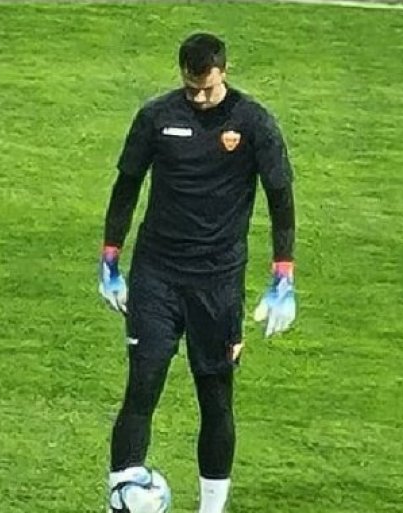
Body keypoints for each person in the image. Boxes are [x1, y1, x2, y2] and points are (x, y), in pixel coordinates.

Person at [98, 32, 297, 513]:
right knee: (142, 384)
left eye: (206, 88)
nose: (199, 97)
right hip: (157, 275)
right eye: (191, 88)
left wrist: (283, 276)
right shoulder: (156, 117)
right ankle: (122, 499)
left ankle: (211, 509)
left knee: (215, 396)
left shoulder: (253, 123)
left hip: (218, 283)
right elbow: (126, 186)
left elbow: (280, 196)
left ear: (223, 72)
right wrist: (110, 260)